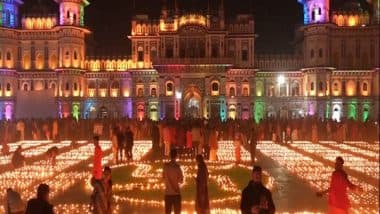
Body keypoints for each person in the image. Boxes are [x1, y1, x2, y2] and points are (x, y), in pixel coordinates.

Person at [163, 149, 184, 214]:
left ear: (170, 155)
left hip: (168, 193)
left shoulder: (165, 167)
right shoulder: (177, 167)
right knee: (177, 212)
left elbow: (163, 177)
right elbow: (181, 180)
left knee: (167, 212)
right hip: (176, 193)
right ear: (176, 156)